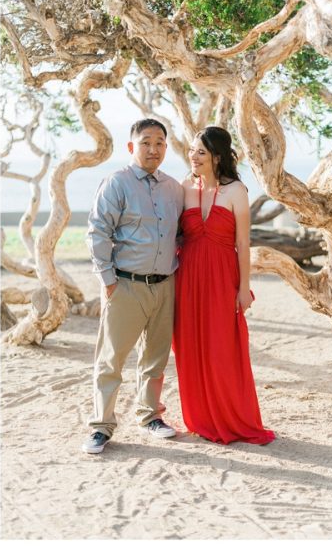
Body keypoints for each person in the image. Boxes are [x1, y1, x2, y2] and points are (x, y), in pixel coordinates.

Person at [82, 118, 184, 454]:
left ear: (166, 148)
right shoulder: (117, 183)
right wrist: (109, 282)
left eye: (159, 143)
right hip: (125, 286)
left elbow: (180, 235)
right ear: (132, 147)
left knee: (155, 358)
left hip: (165, 286)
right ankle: (101, 426)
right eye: (145, 142)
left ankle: (150, 415)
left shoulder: (174, 188)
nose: (153, 149)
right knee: (111, 360)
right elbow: (98, 232)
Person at [172, 126, 275, 445]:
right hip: (187, 277)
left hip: (221, 277)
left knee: (223, 348)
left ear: (217, 157)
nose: (193, 157)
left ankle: (233, 416)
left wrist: (244, 288)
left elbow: (243, 243)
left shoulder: (236, 191)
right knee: (189, 345)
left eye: (201, 152)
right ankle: (200, 416)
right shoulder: (183, 187)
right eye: (191, 150)